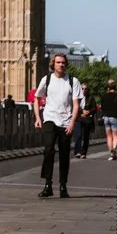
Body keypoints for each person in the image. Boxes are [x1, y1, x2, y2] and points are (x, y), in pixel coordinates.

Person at [34, 52, 83, 198]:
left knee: (64, 154)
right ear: (53, 64)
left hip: (66, 121)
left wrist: (72, 123)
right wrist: (38, 118)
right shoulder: (47, 79)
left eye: (63, 62)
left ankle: (63, 185)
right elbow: (36, 98)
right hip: (49, 118)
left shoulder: (73, 81)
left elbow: (76, 105)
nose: (61, 65)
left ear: (66, 64)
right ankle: (48, 184)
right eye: (58, 62)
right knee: (48, 149)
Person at [99, 78, 117, 161]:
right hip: (114, 117)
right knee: (115, 136)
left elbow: (102, 108)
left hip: (106, 117)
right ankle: (114, 149)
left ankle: (111, 153)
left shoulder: (104, 96)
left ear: (108, 88)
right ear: (115, 88)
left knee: (108, 136)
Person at [72, 84, 94, 159]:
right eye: (82, 88)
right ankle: (77, 151)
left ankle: (83, 153)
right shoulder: (76, 97)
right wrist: (82, 112)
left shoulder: (91, 97)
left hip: (87, 119)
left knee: (86, 136)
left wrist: (88, 112)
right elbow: (74, 106)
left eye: (85, 89)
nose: (84, 90)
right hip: (78, 118)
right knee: (78, 135)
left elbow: (94, 108)